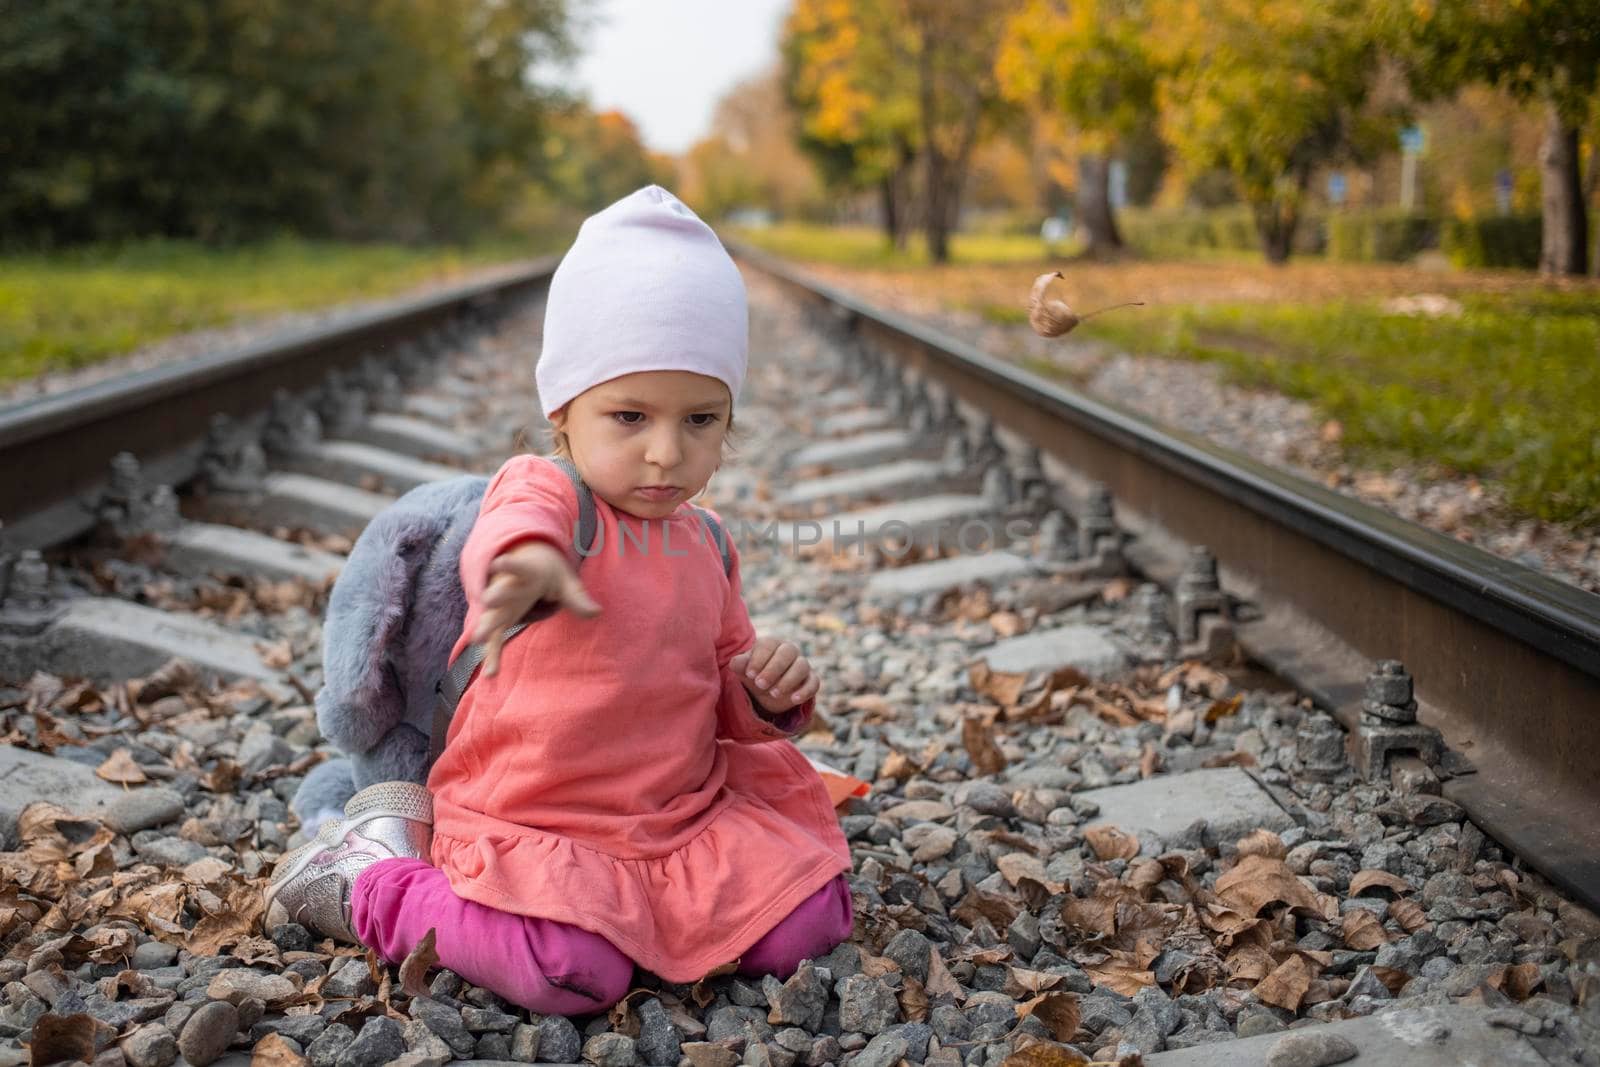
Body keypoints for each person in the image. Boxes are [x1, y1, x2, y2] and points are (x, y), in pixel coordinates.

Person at [265, 185, 853, 1014]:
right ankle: (370, 882)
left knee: (809, 920)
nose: (664, 452)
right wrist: (529, 566)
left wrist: (760, 694)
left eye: (701, 419)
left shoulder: (707, 541)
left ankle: (659, 913)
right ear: (564, 412)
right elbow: (513, 528)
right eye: (629, 415)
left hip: (670, 816)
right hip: (538, 819)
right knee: (570, 973)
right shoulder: (547, 494)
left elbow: (719, 686)